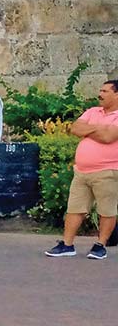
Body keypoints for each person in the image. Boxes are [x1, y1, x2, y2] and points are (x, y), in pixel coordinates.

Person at [44, 78, 118, 260]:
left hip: (107, 170)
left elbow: (109, 136)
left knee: (106, 210)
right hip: (82, 171)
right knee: (75, 208)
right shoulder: (93, 111)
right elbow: (75, 128)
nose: (100, 94)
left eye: (105, 91)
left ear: (116, 94)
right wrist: (98, 128)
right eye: (100, 90)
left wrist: (89, 129)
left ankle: (100, 246)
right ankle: (67, 245)